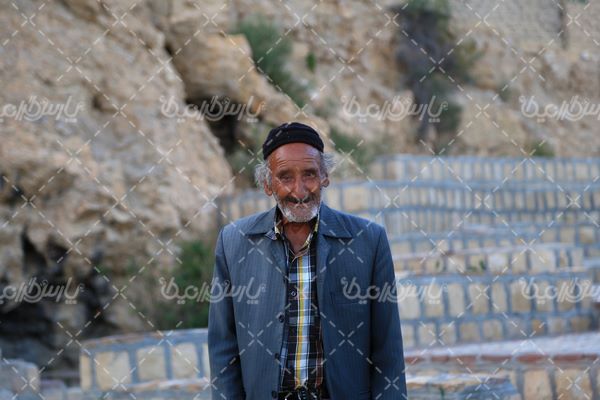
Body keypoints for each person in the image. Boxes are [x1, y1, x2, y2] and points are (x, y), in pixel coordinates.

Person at [208, 122, 406, 400]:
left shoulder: (369, 241)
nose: (299, 190)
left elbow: (388, 350)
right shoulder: (233, 242)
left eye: (310, 174)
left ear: (325, 176)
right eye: (285, 177)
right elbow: (223, 347)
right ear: (267, 184)